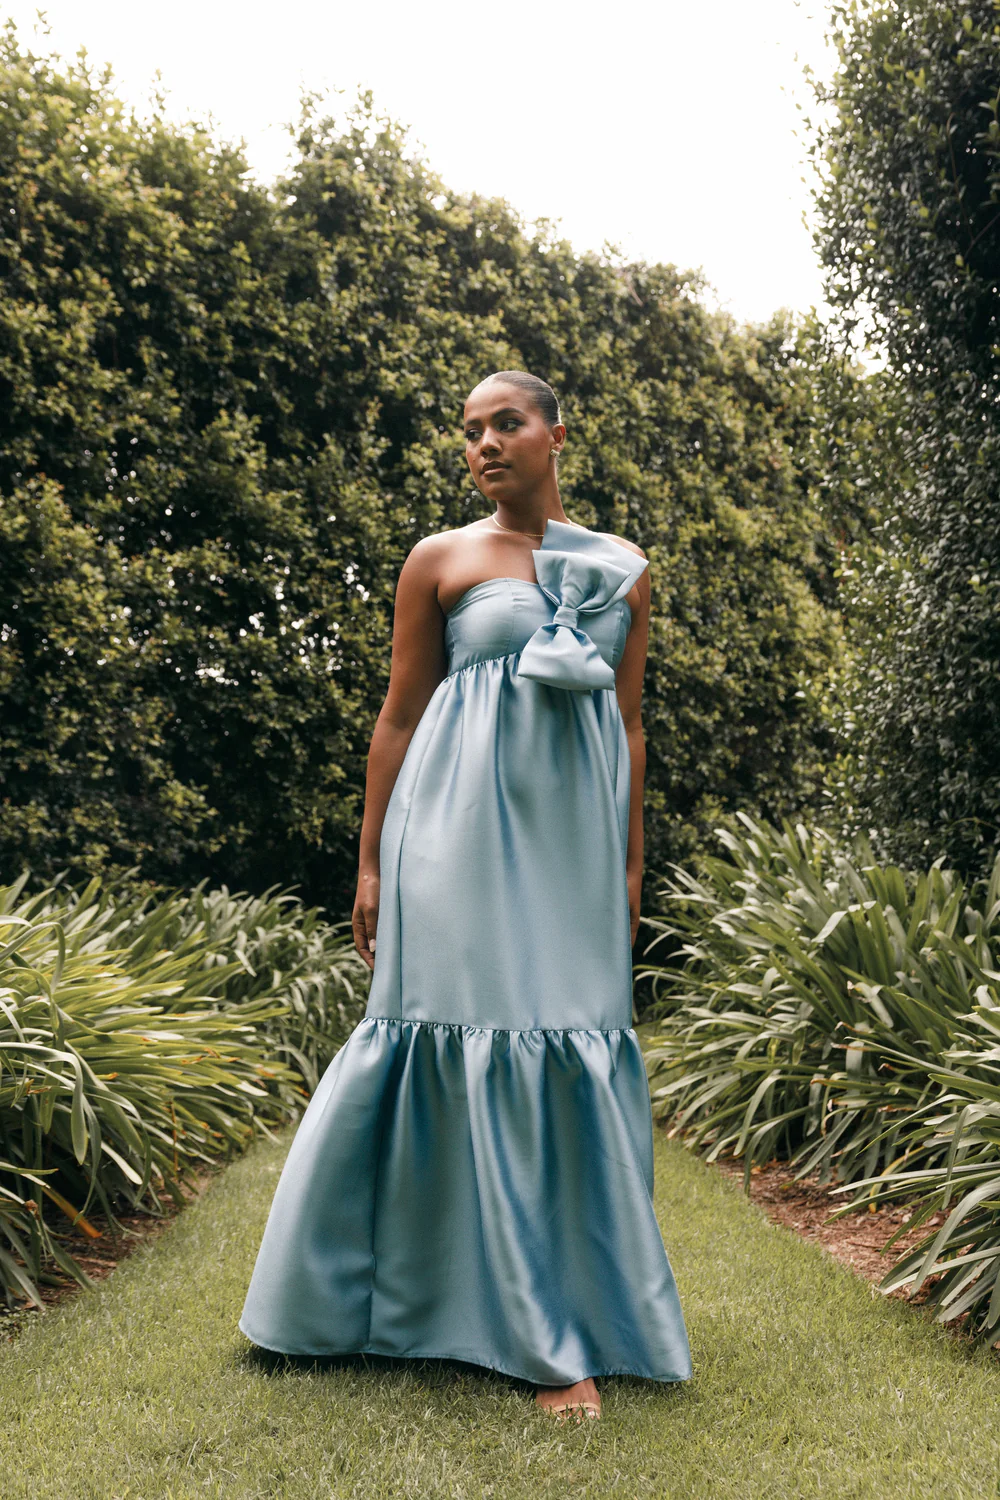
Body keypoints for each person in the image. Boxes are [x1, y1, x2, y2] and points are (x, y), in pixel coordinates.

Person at [239, 370, 692, 1421]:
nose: (484, 444)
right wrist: (370, 863)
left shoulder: (623, 571)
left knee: (565, 1039)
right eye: (471, 431)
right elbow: (398, 719)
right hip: (449, 842)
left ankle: (578, 1310)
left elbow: (625, 729)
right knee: (459, 1039)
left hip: (571, 854)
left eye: (506, 424)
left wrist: (627, 867)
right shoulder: (438, 561)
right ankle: (528, 1342)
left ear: (555, 434)